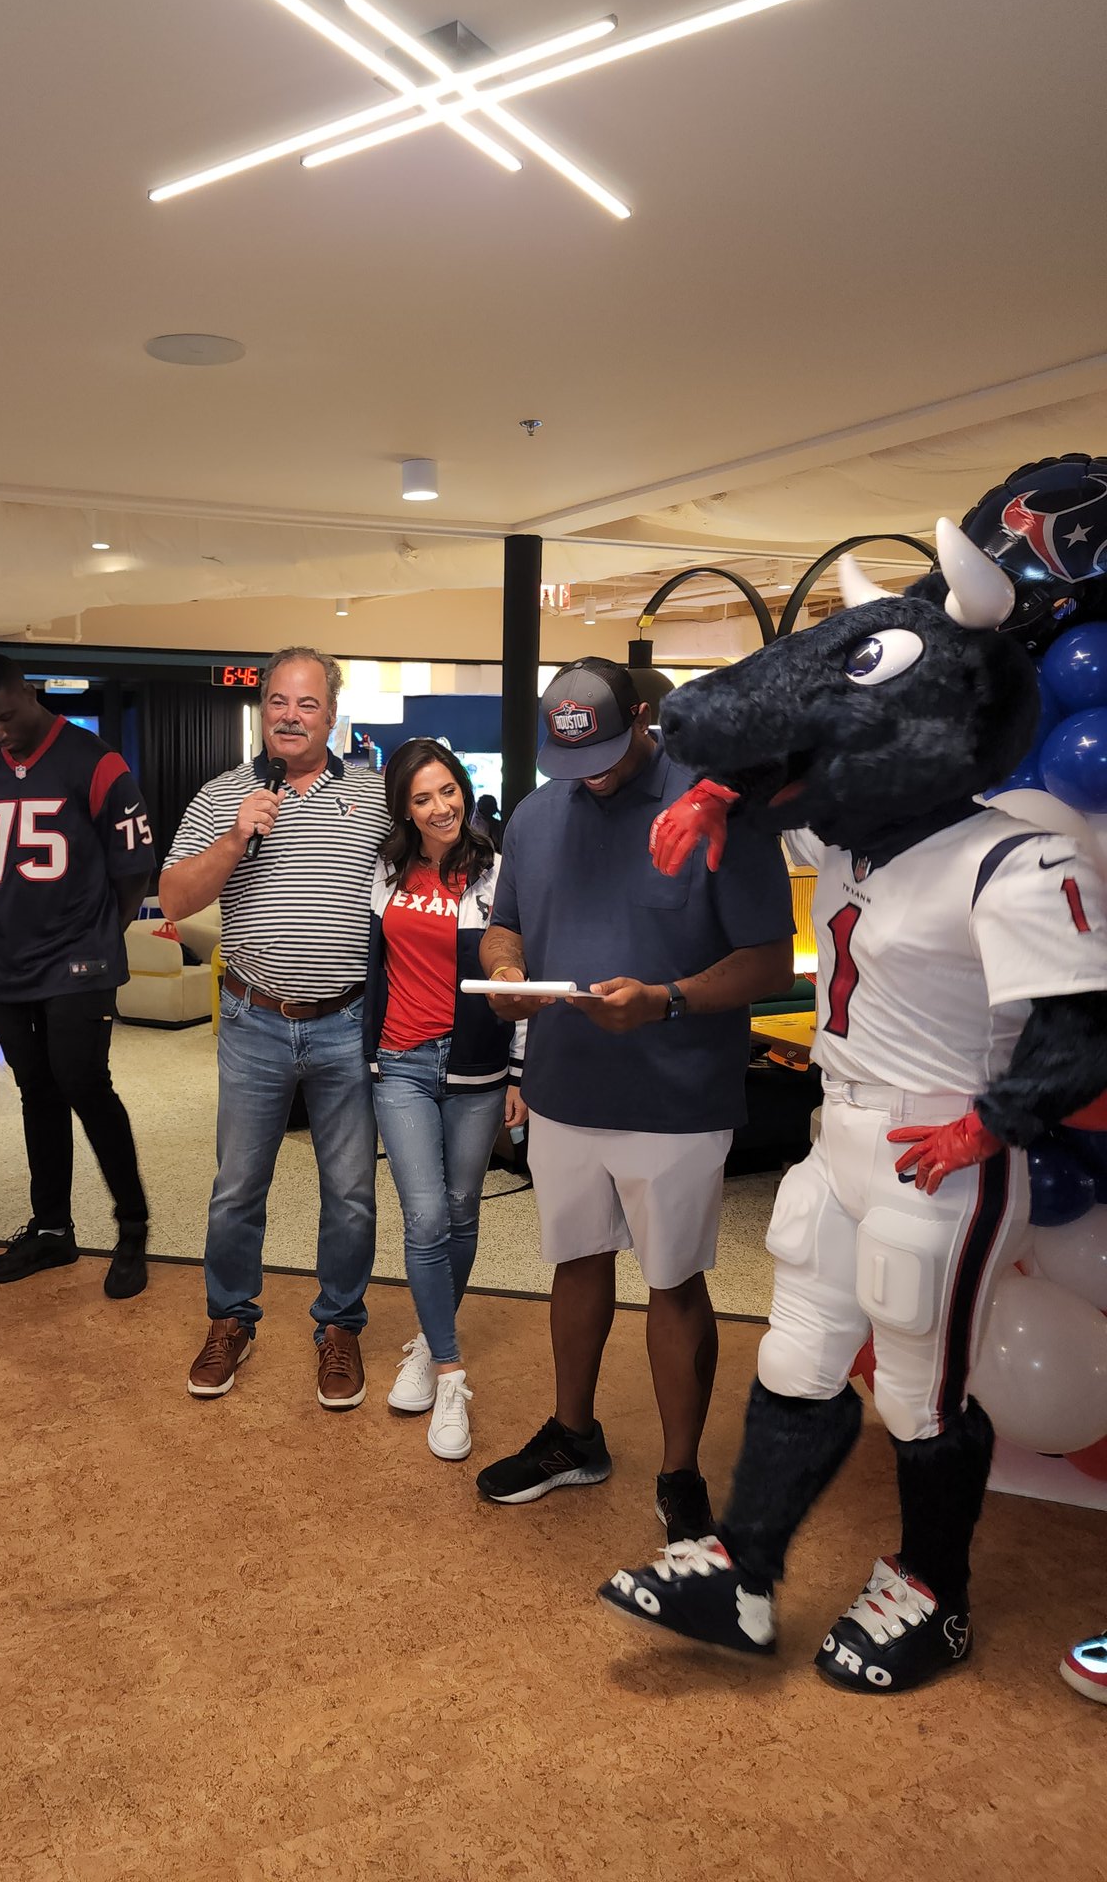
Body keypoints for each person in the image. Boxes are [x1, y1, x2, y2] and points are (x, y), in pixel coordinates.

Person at [598, 525, 1107, 1694]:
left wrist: (996, 1122)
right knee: (800, 1354)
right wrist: (717, 797)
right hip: (840, 1134)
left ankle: (934, 1591)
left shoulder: (1014, 860)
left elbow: (1083, 1027)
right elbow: (801, 766)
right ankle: (745, 1565)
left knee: (925, 1385)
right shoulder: (858, 841)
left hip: (943, 1150)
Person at [476, 658, 793, 1542]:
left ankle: (680, 1472)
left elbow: (770, 960)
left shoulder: (714, 808)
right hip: (567, 1087)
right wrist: (505, 972)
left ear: (646, 716)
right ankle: (574, 1436)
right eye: (571, 762)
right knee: (575, 1262)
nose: (591, 777)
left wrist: (668, 999)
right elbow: (508, 923)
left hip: (679, 1094)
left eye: (608, 754)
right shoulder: (538, 815)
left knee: (673, 1282)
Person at [160, 646, 390, 1407]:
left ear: (332, 714)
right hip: (255, 1021)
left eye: (309, 704)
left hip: (346, 1024)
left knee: (352, 1192)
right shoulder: (221, 793)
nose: (292, 717)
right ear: (264, 709)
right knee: (236, 1189)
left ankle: (340, 1327)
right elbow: (172, 900)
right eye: (280, 703)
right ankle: (231, 1319)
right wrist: (234, 838)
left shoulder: (375, 797)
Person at [0, 656, 155, 1298]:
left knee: (84, 1084)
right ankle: (51, 1230)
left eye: (7, 717)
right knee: (36, 1091)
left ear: (28, 694)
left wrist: (100, 934)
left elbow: (132, 870)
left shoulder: (96, 761)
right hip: (9, 961)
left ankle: (132, 1228)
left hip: (80, 957)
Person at [363, 739, 524, 1461]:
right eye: (422, 798)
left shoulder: (494, 873)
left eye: (448, 790)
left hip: (478, 1067)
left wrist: (520, 1074)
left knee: (461, 1211)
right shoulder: (386, 871)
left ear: (464, 789)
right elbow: (373, 966)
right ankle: (453, 1376)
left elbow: (517, 978)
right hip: (399, 1062)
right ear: (405, 808)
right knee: (425, 1213)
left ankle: (430, 1344)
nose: (440, 807)